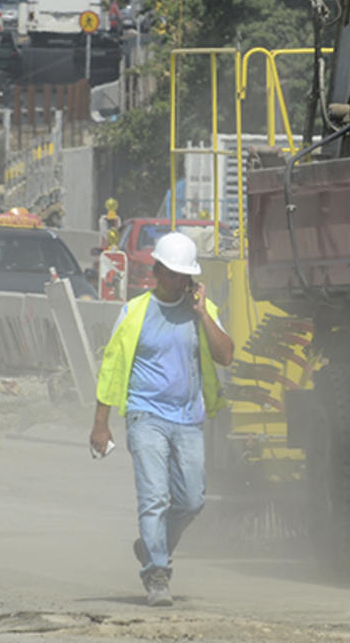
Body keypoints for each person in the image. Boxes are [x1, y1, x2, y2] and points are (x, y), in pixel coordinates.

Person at [89, 231, 234, 607]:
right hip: (145, 415)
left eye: (185, 276)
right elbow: (113, 366)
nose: (178, 282)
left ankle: (151, 544)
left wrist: (202, 313)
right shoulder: (135, 312)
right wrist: (101, 422)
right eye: (172, 274)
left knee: (192, 499)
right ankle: (156, 572)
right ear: (157, 271)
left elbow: (226, 355)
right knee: (153, 497)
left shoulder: (202, 311)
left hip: (188, 418)